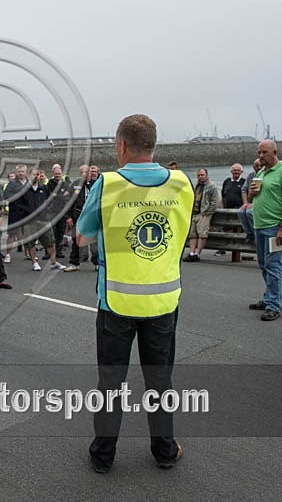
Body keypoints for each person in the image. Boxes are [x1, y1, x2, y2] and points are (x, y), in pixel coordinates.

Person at [78, 114, 192, 474]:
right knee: (160, 381)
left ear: (122, 145)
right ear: (154, 145)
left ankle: (103, 455)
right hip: (162, 300)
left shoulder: (108, 184)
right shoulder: (181, 184)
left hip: (116, 301)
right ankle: (164, 450)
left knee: (111, 382)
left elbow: (83, 236)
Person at [246, 140, 282, 321]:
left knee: (274, 266)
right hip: (260, 226)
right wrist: (252, 192)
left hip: (275, 227)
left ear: (275, 152)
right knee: (263, 264)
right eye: (259, 152)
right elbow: (252, 198)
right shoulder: (261, 172)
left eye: (264, 152)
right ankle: (269, 297)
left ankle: (273, 305)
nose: (261, 156)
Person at [12, 169, 65, 271]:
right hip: (29, 221)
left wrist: (46, 211)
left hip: (43, 219)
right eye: (33, 174)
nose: (36, 176)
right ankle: (34, 262)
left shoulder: (43, 188)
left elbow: (49, 200)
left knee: (49, 241)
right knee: (31, 243)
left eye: (38, 174)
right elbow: (17, 204)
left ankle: (54, 262)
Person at [65, 166, 100, 271]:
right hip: (78, 216)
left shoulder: (97, 184)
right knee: (76, 241)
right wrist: (68, 217)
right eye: (82, 172)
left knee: (94, 242)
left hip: (92, 216)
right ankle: (74, 263)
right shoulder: (75, 185)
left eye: (86, 172)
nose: (85, 174)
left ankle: (97, 263)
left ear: (90, 172)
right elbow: (68, 202)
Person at [182, 168, 218, 262]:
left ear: (206, 175)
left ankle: (198, 254)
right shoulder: (195, 186)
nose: (200, 177)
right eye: (198, 175)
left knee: (202, 234)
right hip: (194, 213)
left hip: (203, 213)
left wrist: (207, 213)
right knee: (192, 234)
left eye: (202, 175)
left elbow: (214, 202)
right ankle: (192, 253)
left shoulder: (212, 186)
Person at [3, 164, 30, 263]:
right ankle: (8, 254)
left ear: (25, 172)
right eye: (19, 171)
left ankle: (28, 253)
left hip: (26, 212)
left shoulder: (29, 183)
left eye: (22, 171)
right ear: (16, 172)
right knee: (11, 234)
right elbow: (6, 195)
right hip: (15, 211)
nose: (21, 173)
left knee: (27, 233)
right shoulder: (12, 183)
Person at [238, 158, 262, 241]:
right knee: (241, 212)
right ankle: (249, 233)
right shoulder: (251, 175)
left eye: (260, 166)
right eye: (256, 166)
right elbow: (244, 189)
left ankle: (255, 233)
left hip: (259, 203)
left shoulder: (264, 175)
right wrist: (245, 203)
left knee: (249, 212)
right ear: (253, 167)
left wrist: (253, 203)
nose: (259, 167)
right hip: (250, 201)